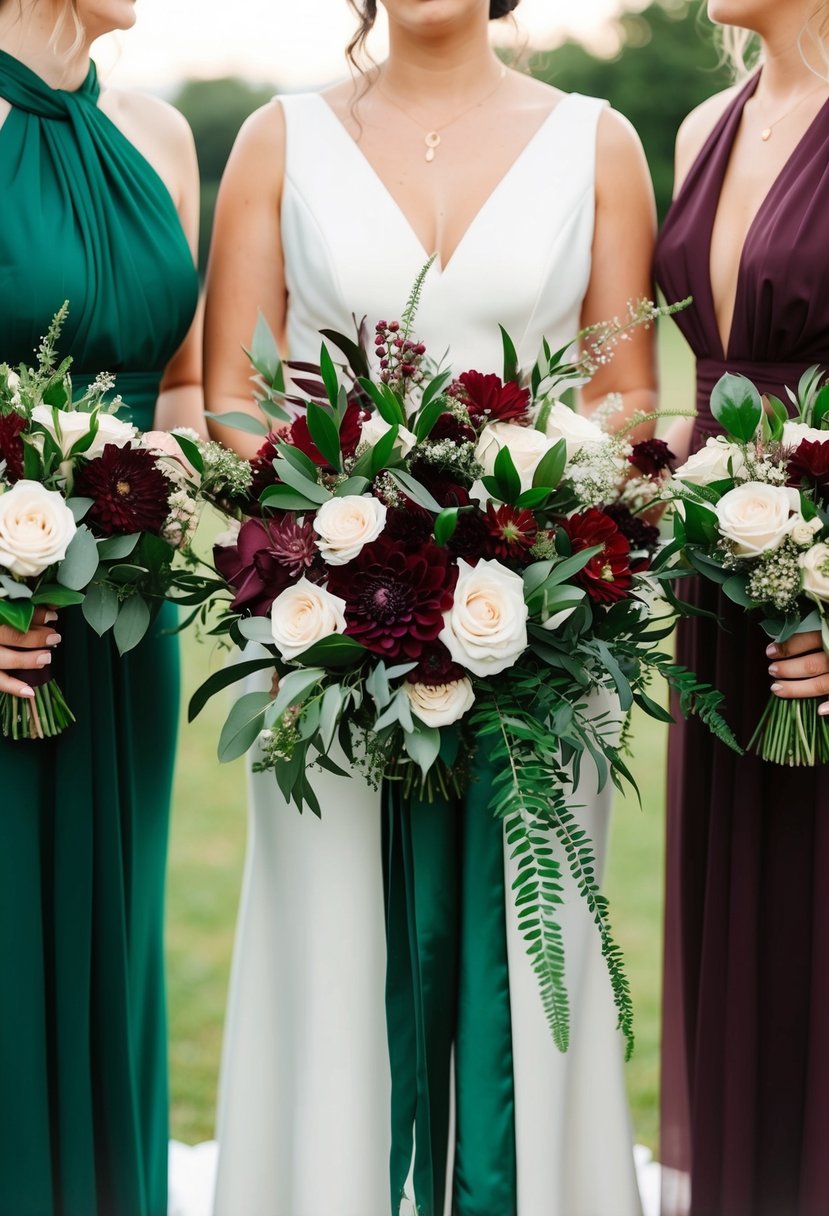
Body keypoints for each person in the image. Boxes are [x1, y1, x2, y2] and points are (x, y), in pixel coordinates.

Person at [205, 1, 655, 1212]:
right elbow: (232, 399)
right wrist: (336, 553)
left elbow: (629, 401)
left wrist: (533, 533)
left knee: (529, 939)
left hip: (540, 622)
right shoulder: (277, 139)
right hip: (321, 631)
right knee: (340, 954)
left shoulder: (598, 140)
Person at [0, 2, 202, 1213]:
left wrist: (180, 469)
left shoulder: (161, 133)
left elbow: (179, 382)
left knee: (109, 957)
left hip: (126, 616)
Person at [655, 2, 829, 1212]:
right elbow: (705, 382)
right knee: (749, 949)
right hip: (725, 585)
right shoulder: (702, 127)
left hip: (818, 582)